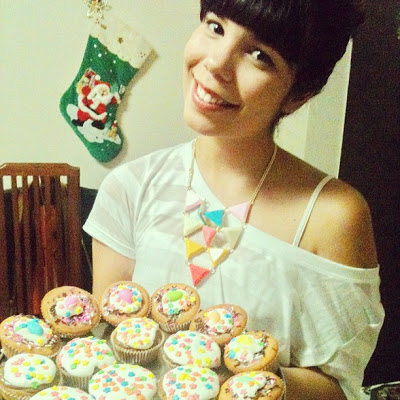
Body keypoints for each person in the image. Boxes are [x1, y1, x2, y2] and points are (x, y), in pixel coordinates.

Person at [83, 0, 384, 398]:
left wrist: (240, 373)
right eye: (215, 26)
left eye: (260, 55)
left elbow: (338, 387)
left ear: (298, 94)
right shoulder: (129, 188)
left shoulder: (332, 216)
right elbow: (112, 345)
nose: (216, 64)